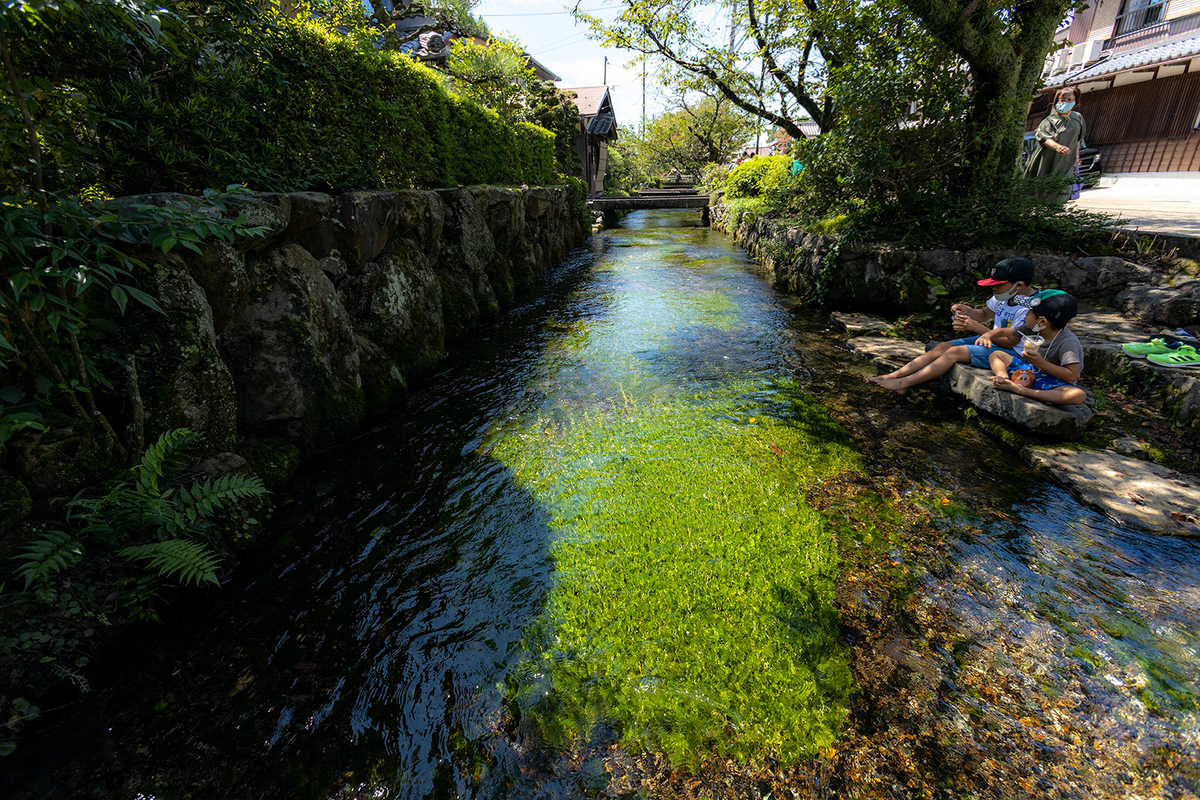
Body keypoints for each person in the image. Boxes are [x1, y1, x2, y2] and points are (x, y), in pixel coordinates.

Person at [868, 257, 1038, 394]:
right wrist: (968, 310)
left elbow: (1009, 343)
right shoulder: (1005, 294)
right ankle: (894, 374)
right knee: (944, 346)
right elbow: (985, 314)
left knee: (954, 352)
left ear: (1019, 285)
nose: (993, 288)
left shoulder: (1030, 309)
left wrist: (978, 329)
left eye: (997, 285)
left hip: (1011, 355)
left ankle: (903, 383)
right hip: (993, 342)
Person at [987, 290, 1087, 405]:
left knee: (1077, 395)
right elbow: (1004, 331)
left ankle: (1021, 390)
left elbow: (1072, 375)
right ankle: (1004, 380)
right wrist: (988, 335)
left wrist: (1041, 363)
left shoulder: (1068, 343)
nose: (1026, 314)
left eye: (1030, 312)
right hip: (1031, 372)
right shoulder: (1032, 329)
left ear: (1042, 321)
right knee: (996, 355)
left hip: (1054, 383)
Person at [1023, 86, 1085, 189]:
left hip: (1066, 161)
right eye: (1062, 99)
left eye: (1069, 100)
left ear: (1075, 101)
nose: (1065, 102)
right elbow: (1044, 138)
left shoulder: (1078, 118)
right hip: (1047, 159)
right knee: (1042, 187)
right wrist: (1058, 147)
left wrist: (1076, 156)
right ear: (1057, 101)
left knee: (1061, 189)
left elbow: (1078, 138)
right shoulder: (1049, 120)